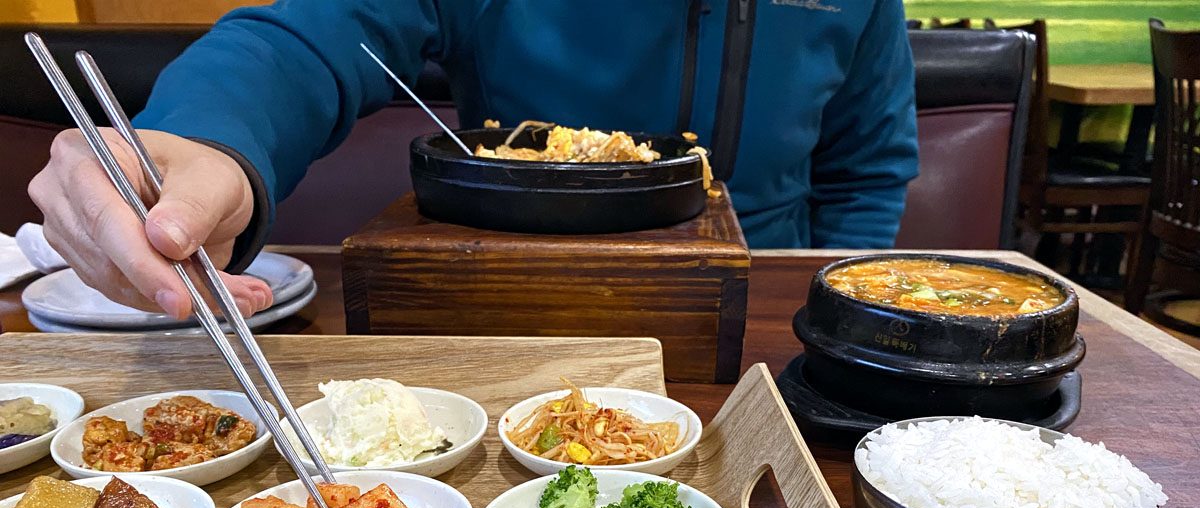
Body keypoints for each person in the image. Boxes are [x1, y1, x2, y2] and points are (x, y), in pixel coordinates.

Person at [28, 0, 918, 320]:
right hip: (521, 298)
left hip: (765, 307)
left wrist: (820, 303)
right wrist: (203, 134)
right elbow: (315, 34)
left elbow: (867, 169)